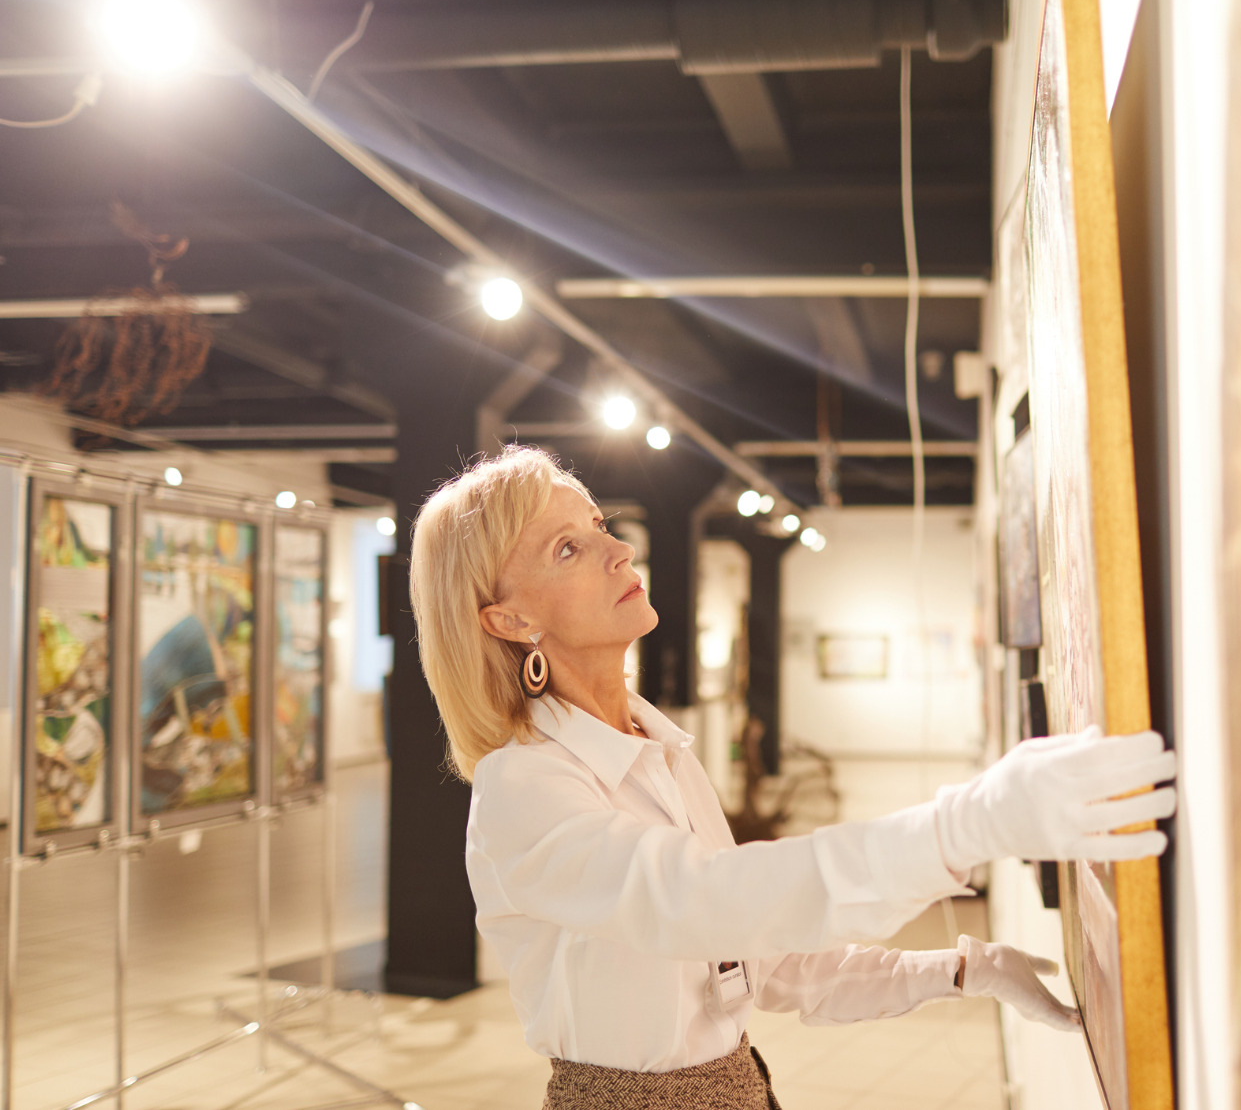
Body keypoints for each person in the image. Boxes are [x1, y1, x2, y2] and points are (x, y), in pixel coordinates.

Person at [408, 445, 1177, 1110]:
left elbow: (766, 962)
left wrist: (962, 969)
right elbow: (702, 902)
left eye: (602, 527)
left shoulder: (658, 750)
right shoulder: (524, 787)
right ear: (508, 621)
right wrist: (964, 826)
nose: (620, 551)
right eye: (566, 550)